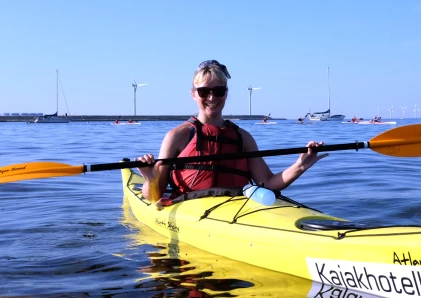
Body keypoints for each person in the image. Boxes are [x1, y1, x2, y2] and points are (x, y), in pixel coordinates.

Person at [136, 60, 327, 201]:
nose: (212, 97)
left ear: (226, 94)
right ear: (194, 94)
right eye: (204, 91)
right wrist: (150, 178)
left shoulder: (243, 138)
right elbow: (153, 197)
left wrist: (301, 165)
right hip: (190, 209)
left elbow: (267, 183)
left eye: (218, 91)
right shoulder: (178, 136)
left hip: (237, 207)